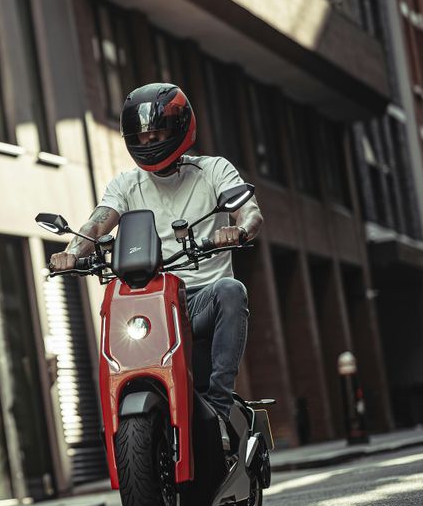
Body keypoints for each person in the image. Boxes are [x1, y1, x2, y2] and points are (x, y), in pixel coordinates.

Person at [49, 83, 264, 443]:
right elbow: (97, 223)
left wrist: (240, 229)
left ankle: (221, 410)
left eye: (158, 133)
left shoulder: (213, 170)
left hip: (201, 299)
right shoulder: (126, 184)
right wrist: (73, 250)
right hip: (153, 300)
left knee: (231, 290)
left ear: (181, 128)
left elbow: (250, 211)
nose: (149, 142)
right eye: (141, 137)